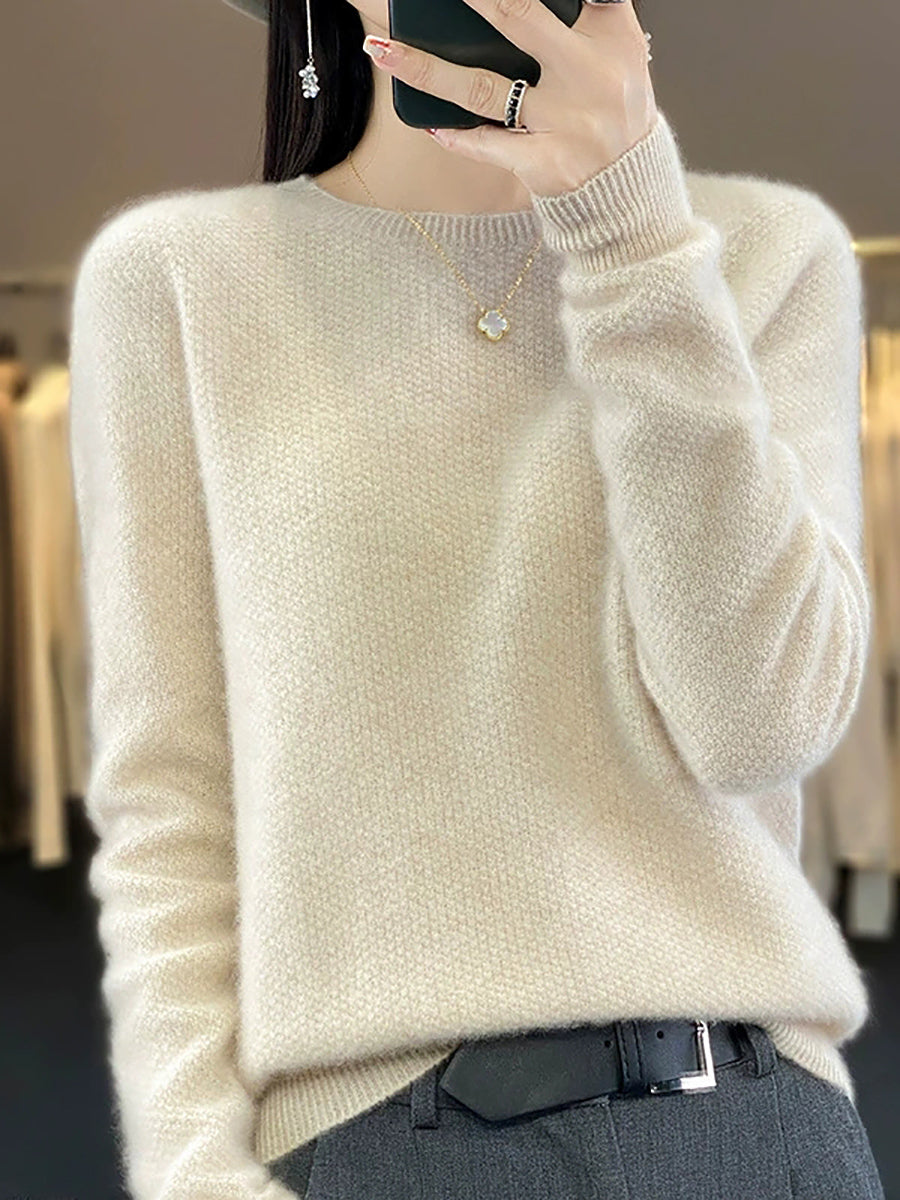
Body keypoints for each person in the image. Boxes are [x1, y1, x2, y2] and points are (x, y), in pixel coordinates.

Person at [67, 0, 888, 1196]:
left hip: (753, 1124)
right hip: (377, 1136)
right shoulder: (178, 280)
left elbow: (761, 726)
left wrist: (631, 232)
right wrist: (194, 1172)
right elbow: (171, 796)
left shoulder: (765, 253)